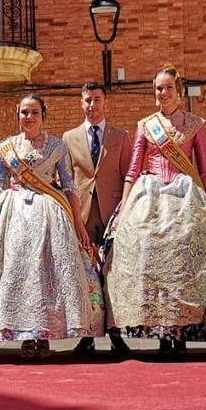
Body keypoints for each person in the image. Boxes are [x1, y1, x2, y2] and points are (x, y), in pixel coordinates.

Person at [0, 94, 103, 360]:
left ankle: (43, 336)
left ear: (43, 115)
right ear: (17, 115)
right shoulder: (7, 146)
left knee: (45, 274)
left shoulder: (57, 146)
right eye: (24, 113)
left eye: (34, 112)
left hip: (49, 213)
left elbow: (69, 185)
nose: (28, 118)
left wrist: (78, 222)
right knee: (16, 273)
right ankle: (23, 336)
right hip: (12, 213)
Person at [105, 66, 206, 358]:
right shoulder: (146, 125)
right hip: (150, 196)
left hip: (186, 196)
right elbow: (132, 170)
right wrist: (122, 213)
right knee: (147, 255)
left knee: (184, 260)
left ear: (179, 91)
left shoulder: (195, 124)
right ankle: (160, 332)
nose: (163, 93)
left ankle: (181, 332)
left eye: (168, 87)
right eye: (159, 88)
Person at [63, 83, 134, 357]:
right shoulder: (68, 138)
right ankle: (87, 336)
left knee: (113, 275)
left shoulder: (121, 136)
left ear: (106, 103)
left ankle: (117, 334)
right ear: (81, 104)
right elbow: (66, 179)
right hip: (82, 214)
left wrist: (126, 213)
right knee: (85, 276)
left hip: (113, 213)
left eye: (96, 100)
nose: (92, 105)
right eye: (87, 101)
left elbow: (129, 174)